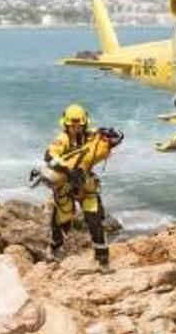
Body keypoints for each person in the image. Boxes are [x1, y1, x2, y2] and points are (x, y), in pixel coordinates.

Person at [33, 103, 123, 270]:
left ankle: (103, 261)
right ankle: (52, 249)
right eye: (72, 125)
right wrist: (68, 170)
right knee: (61, 221)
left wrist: (112, 136)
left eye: (79, 125)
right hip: (65, 186)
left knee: (95, 221)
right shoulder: (62, 139)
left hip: (86, 184)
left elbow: (112, 139)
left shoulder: (91, 136)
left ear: (84, 124)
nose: (75, 128)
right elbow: (49, 156)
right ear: (66, 125)